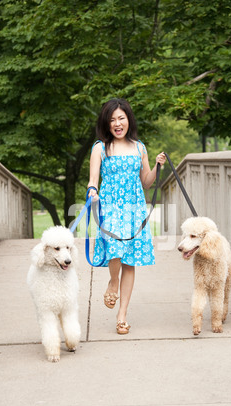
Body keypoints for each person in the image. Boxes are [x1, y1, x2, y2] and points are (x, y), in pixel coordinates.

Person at [87, 98, 166, 335]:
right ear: (106, 123)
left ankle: (122, 315)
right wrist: (92, 191)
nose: (117, 123)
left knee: (130, 261)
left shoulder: (140, 147)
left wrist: (156, 166)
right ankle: (113, 282)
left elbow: (146, 182)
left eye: (121, 118)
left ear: (129, 119)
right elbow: (93, 180)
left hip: (134, 209)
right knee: (114, 249)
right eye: (112, 120)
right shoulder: (100, 147)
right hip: (110, 207)